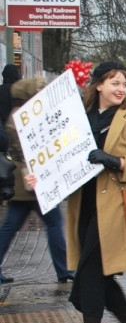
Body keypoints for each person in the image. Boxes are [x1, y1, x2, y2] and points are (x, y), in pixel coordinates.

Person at [45, 62, 126, 323]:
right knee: (101, 276)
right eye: (113, 83)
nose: (120, 88)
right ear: (98, 86)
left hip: (115, 210)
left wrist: (115, 162)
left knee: (91, 273)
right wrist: (42, 180)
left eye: (123, 83)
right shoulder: (78, 119)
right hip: (84, 206)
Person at [0, 77, 73, 285]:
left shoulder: (14, 116)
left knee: (10, 226)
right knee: (54, 223)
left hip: (22, 183)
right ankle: (64, 269)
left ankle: (64, 269)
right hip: (35, 182)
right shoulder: (26, 118)